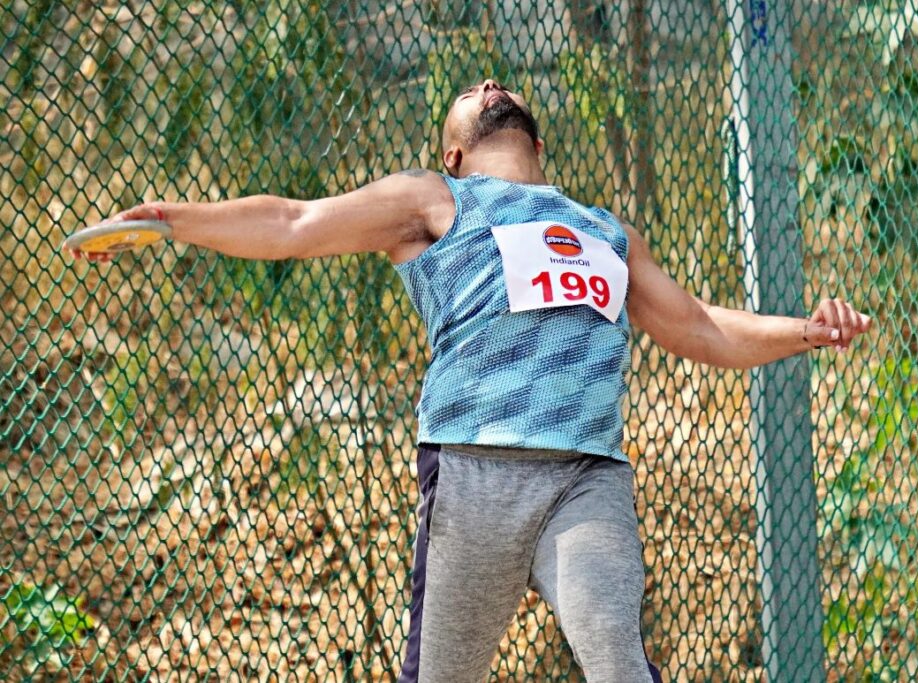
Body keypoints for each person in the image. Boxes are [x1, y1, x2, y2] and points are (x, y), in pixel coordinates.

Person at [70, 79, 871, 682]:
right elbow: (293, 221)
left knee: (619, 660)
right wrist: (172, 218)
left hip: (586, 480)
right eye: (470, 94)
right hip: (472, 473)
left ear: (539, 143)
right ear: (453, 152)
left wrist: (806, 331)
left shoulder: (605, 230)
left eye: (498, 86)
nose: (490, 85)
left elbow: (695, 325)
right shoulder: (434, 196)